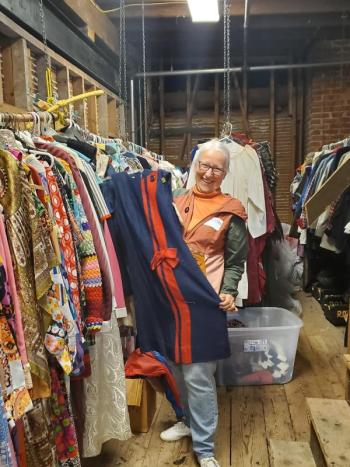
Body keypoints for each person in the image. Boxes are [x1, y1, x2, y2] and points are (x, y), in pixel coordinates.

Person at [160, 140, 248, 467]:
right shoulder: (174, 202)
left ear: (225, 173)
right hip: (171, 299)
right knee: (176, 366)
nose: (209, 173)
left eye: (217, 168)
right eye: (204, 165)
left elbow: (236, 260)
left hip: (206, 302)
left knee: (199, 372)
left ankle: (205, 446)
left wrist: (229, 290)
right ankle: (186, 419)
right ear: (195, 165)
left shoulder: (231, 210)